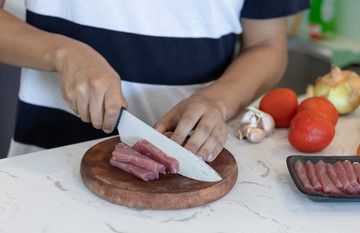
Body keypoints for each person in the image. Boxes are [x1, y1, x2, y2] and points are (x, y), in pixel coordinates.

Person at [0, 0, 310, 161]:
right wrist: (61, 53)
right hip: (45, 167)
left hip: (191, 165)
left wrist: (217, 99)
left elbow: (267, 45)